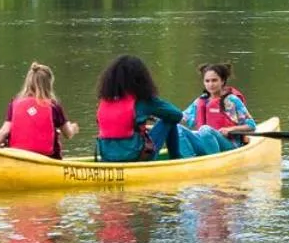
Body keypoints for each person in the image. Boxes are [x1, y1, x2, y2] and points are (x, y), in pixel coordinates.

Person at [94, 55, 235, 162]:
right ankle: (177, 160)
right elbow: (176, 115)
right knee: (169, 120)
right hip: (135, 156)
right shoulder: (144, 100)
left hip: (107, 156)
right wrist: (155, 117)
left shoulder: (104, 101)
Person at [0, 62, 79, 159]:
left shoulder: (15, 103)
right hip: (48, 158)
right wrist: (74, 128)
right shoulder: (54, 106)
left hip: (17, 156)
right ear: (49, 83)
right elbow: (68, 134)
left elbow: (5, 131)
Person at [183, 63, 256, 146]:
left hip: (229, 143)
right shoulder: (201, 100)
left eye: (214, 80)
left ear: (222, 81)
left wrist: (230, 129)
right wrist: (167, 116)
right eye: (207, 81)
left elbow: (251, 126)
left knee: (205, 130)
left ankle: (210, 157)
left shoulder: (232, 100)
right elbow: (183, 117)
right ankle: (189, 157)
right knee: (179, 129)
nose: (210, 84)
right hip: (206, 143)